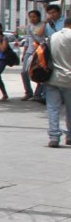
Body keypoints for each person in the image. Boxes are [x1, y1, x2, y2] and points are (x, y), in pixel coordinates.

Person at [44, 18, 71, 148]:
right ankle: (70, 135)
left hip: (51, 77)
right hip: (68, 79)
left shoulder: (52, 37)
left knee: (53, 108)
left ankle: (54, 136)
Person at [20, 10, 44, 101]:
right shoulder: (29, 27)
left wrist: (32, 33)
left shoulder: (42, 25)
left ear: (38, 17)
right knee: (24, 72)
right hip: (29, 52)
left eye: (34, 16)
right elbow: (27, 41)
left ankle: (37, 93)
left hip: (39, 52)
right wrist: (24, 53)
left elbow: (38, 38)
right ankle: (28, 92)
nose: (32, 19)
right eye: (30, 17)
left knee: (40, 72)